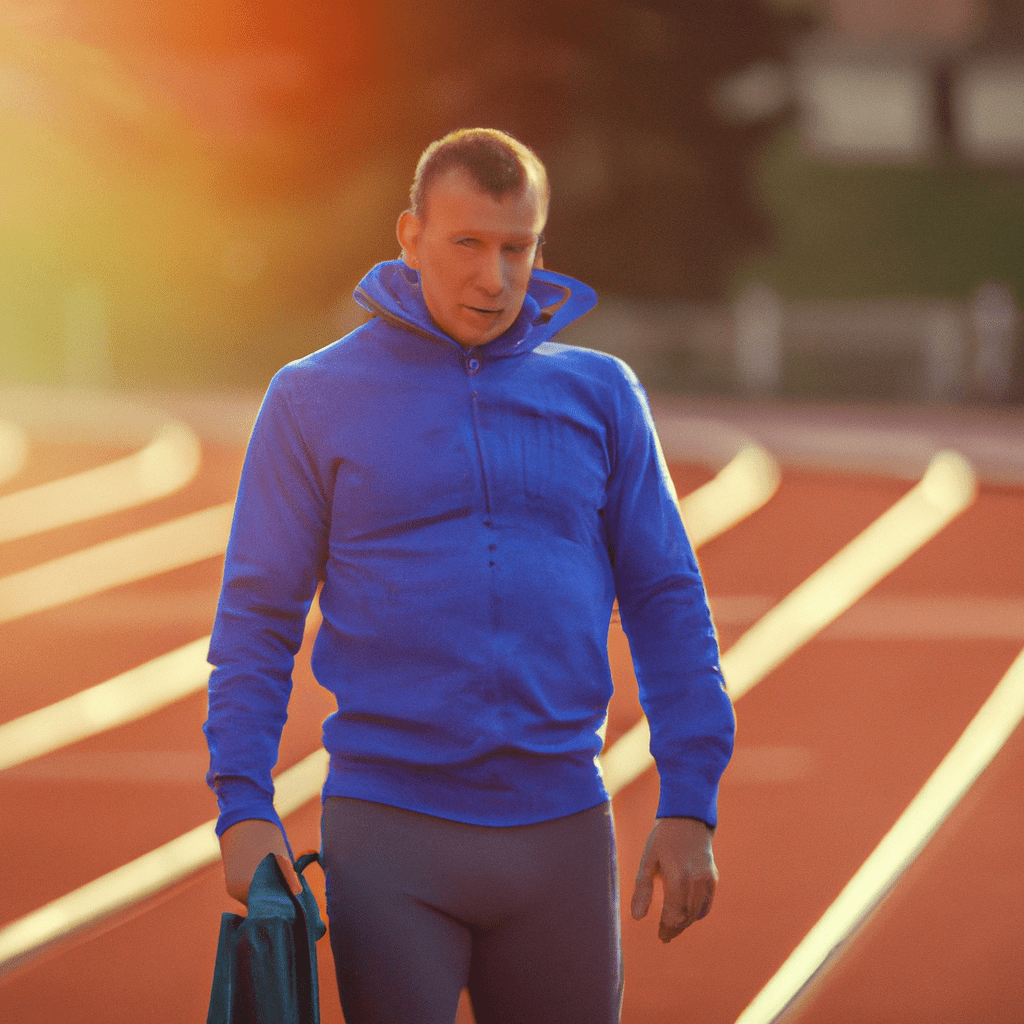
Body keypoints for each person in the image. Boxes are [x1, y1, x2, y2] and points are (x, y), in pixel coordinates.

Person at [204, 127, 734, 1024]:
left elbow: (666, 599)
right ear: (409, 237)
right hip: (389, 830)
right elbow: (259, 616)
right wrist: (243, 804)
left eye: (516, 248)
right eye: (468, 244)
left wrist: (691, 800)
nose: (494, 277)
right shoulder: (310, 397)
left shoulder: (602, 394)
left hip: (563, 828)